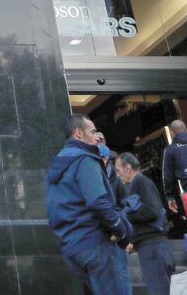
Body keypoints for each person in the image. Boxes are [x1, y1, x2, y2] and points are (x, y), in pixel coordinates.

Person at [46, 115, 132, 295]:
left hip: (73, 248)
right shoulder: (84, 158)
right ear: (78, 133)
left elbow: (53, 210)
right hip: (96, 244)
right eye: (93, 132)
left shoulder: (57, 165)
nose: (96, 137)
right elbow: (97, 201)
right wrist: (119, 228)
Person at [115, 152, 175, 295]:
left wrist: (128, 216)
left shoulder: (141, 182)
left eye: (118, 170)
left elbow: (151, 211)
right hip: (150, 245)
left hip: (153, 247)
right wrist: (134, 241)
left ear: (128, 168)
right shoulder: (138, 183)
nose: (117, 175)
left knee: (159, 290)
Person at [94, 133, 131, 295]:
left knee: (121, 274)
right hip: (99, 233)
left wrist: (125, 230)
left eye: (101, 139)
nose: (99, 142)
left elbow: (126, 202)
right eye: (96, 140)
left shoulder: (116, 167)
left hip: (116, 230)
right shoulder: (89, 167)